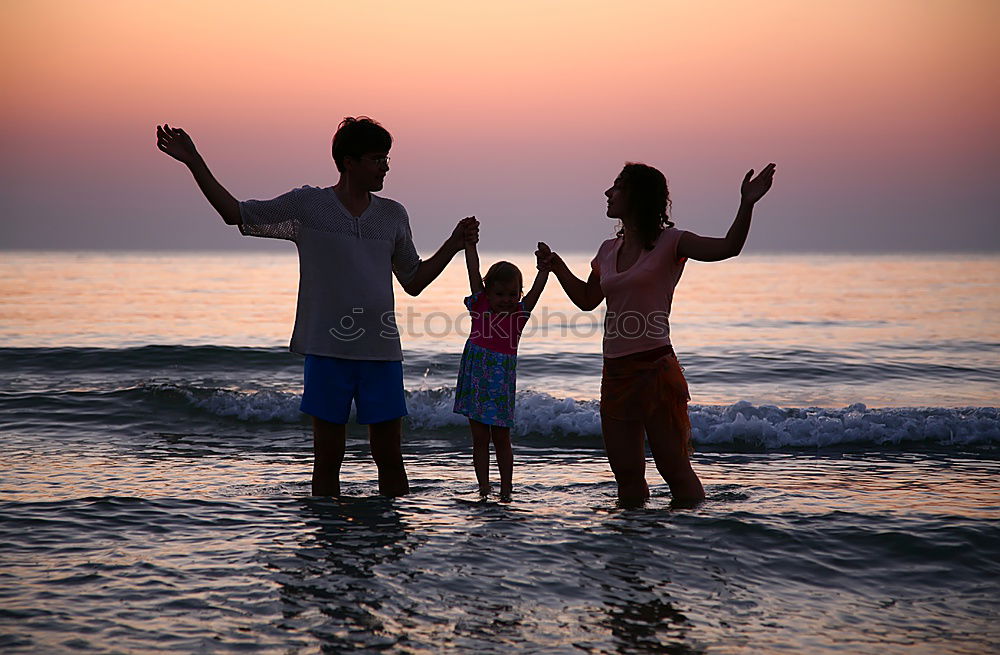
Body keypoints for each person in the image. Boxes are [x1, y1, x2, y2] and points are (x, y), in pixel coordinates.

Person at [155, 117, 478, 497]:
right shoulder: (308, 207)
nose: (385, 167)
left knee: (390, 458)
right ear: (348, 162)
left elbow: (414, 280)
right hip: (327, 351)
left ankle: (391, 542)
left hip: (381, 353)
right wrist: (195, 161)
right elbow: (236, 214)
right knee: (328, 458)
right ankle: (328, 543)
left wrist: (454, 244)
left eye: (386, 159)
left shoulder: (393, 214)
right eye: (377, 159)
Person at [540, 161, 775, 505]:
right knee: (628, 480)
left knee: (675, 471)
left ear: (636, 196)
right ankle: (633, 551)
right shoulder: (607, 250)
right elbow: (588, 300)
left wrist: (747, 204)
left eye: (617, 187)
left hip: (656, 371)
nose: (608, 193)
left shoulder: (672, 243)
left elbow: (728, 247)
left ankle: (684, 545)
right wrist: (558, 266)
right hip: (615, 374)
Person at [453, 234, 550, 499]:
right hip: (475, 378)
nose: (506, 299)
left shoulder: (519, 315)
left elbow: (537, 290)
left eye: (512, 294)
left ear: (519, 294)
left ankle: (506, 489)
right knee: (479, 439)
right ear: (487, 292)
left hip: (500, 382)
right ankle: (484, 487)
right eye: (499, 294)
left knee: (502, 439)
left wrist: (544, 268)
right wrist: (470, 245)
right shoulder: (480, 304)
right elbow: (473, 270)